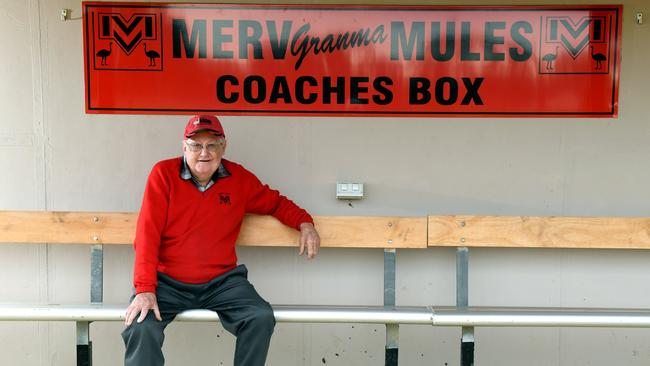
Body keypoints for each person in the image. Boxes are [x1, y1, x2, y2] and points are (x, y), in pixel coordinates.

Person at [122, 115, 320, 366]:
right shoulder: (163, 174)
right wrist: (145, 289)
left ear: (223, 147)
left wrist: (304, 223)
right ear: (184, 147)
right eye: (196, 145)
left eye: (212, 145)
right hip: (167, 282)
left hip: (221, 282)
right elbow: (147, 235)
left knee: (259, 317)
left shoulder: (239, 178)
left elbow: (276, 203)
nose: (204, 153)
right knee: (140, 327)